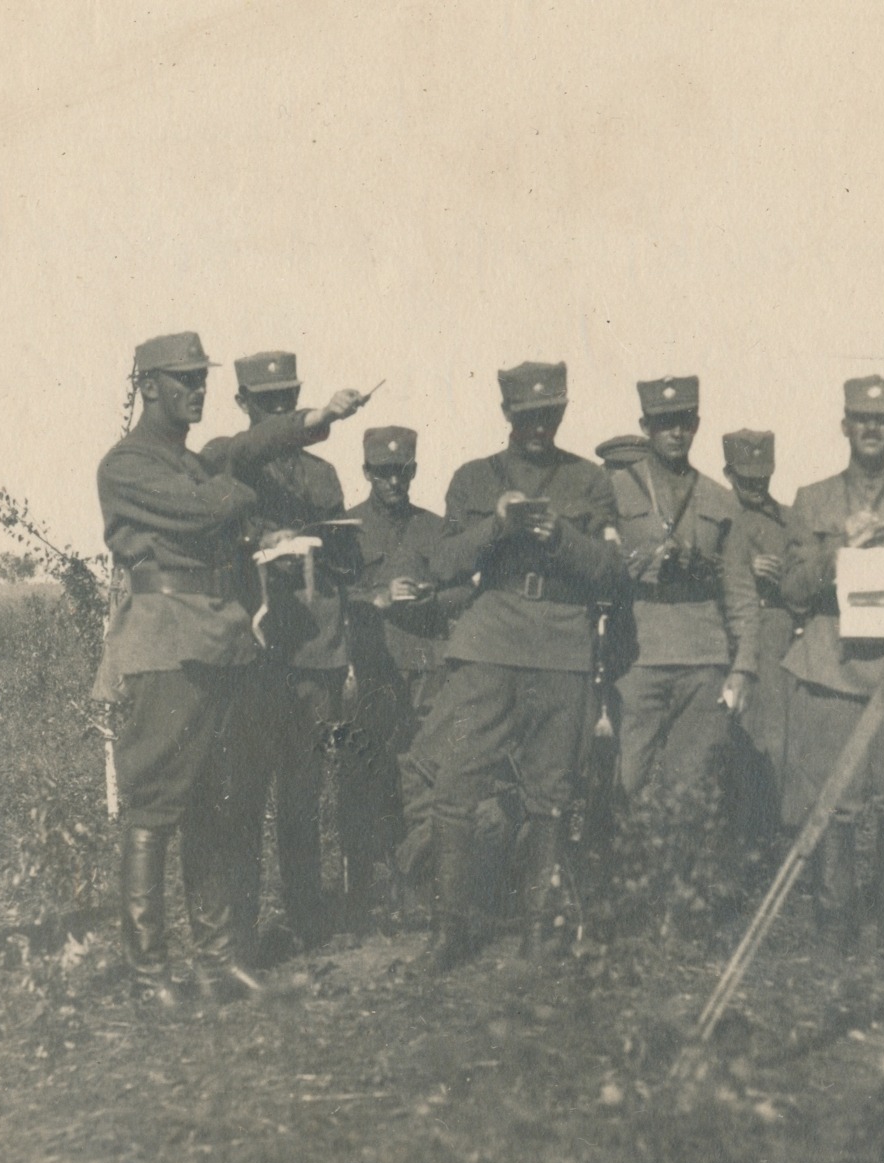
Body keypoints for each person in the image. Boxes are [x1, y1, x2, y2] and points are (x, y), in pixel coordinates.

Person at [92, 333, 370, 1006]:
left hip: (221, 643)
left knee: (222, 804)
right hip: (166, 646)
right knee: (155, 807)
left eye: (202, 379)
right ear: (148, 386)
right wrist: (245, 504)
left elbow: (239, 468)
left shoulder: (194, 462)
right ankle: (148, 974)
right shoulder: (127, 464)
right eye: (183, 380)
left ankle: (221, 964)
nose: (198, 390)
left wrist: (261, 524)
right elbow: (207, 508)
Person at [407, 360, 625, 968]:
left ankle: (537, 929)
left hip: (561, 645)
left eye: (549, 414)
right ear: (507, 413)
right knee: (455, 781)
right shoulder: (474, 478)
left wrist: (562, 537)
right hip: (489, 645)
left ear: (562, 411)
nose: (539, 426)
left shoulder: (589, 481)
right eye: (527, 416)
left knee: (550, 792)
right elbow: (443, 564)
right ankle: (449, 930)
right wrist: (496, 526)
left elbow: (613, 572)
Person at [779, 376, 884, 953]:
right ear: (845, 426)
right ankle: (835, 923)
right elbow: (792, 590)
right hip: (834, 668)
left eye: (882, 420)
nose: (872, 428)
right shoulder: (812, 500)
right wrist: (838, 553)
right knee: (835, 799)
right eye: (861, 418)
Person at [212, 351, 361, 954]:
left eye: (287, 400)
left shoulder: (322, 475)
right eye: (267, 402)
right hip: (254, 652)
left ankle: (306, 918)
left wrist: (325, 547)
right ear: (243, 404)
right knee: (244, 795)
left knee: (304, 789)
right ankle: (241, 931)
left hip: (314, 652)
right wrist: (258, 542)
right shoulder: (227, 462)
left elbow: (348, 559)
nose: (278, 411)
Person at [605, 377, 757, 933]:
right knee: (626, 782)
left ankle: (676, 911)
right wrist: (636, 565)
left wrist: (743, 667)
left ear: (696, 426)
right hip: (637, 658)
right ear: (645, 427)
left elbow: (740, 592)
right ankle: (624, 903)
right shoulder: (615, 491)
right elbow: (596, 571)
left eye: (684, 422)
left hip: (702, 659)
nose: (675, 432)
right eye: (663, 423)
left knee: (689, 789)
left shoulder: (719, 500)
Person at [338, 426, 466, 931]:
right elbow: (329, 595)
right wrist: (376, 596)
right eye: (384, 472)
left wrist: (433, 596)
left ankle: (417, 887)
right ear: (367, 472)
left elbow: (465, 590)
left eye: (404, 471)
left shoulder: (435, 529)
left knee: (421, 773)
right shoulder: (346, 529)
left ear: (414, 471)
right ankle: (363, 894)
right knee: (367, 773)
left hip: (427, 668)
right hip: (370, 668)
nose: (395, 481)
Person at [721, 429, 798, 865]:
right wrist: (740, 568)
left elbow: (807, 578)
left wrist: (784, 576)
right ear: (728, 473)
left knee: (771, 741)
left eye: (762, 478)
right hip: (722, 633)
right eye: (746, 478)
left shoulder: (788, 521)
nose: (755, 486)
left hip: (773, 632)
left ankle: (766, 845)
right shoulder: (718, 515)